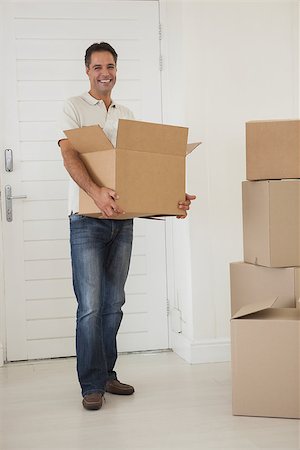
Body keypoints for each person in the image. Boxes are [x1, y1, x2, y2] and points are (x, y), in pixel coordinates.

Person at [58, 42, 196, 411]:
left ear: (117, 70)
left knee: (114, 303)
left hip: (122, 222)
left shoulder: (126, 112)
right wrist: (97, 192)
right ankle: (90, 383)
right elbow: (70, 155)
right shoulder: (72, 107)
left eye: (111, 66)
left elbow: (139, 171)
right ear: (87, 70)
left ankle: (106, 374)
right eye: (98, 66)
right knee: (90, 305)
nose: (106, 72)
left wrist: (172, 199)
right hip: (87, 221)